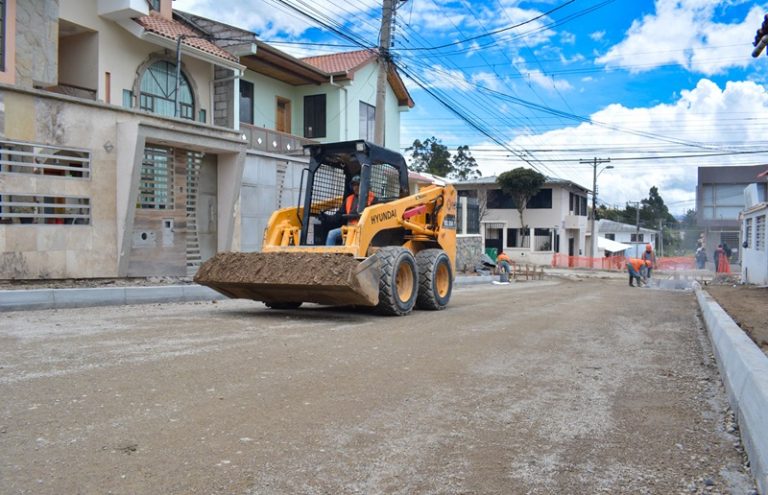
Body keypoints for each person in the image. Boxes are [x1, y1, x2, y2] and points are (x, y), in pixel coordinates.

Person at [325, 175, 375, 245]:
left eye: (358, 185)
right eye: (354, 185)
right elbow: (339, 215)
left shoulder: (373, 199)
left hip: (364, 230)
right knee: (331, 234)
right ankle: (330, 252)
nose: (355, 187)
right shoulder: (349, 199)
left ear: (366, 186)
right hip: (349, 229)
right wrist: (327, 218)